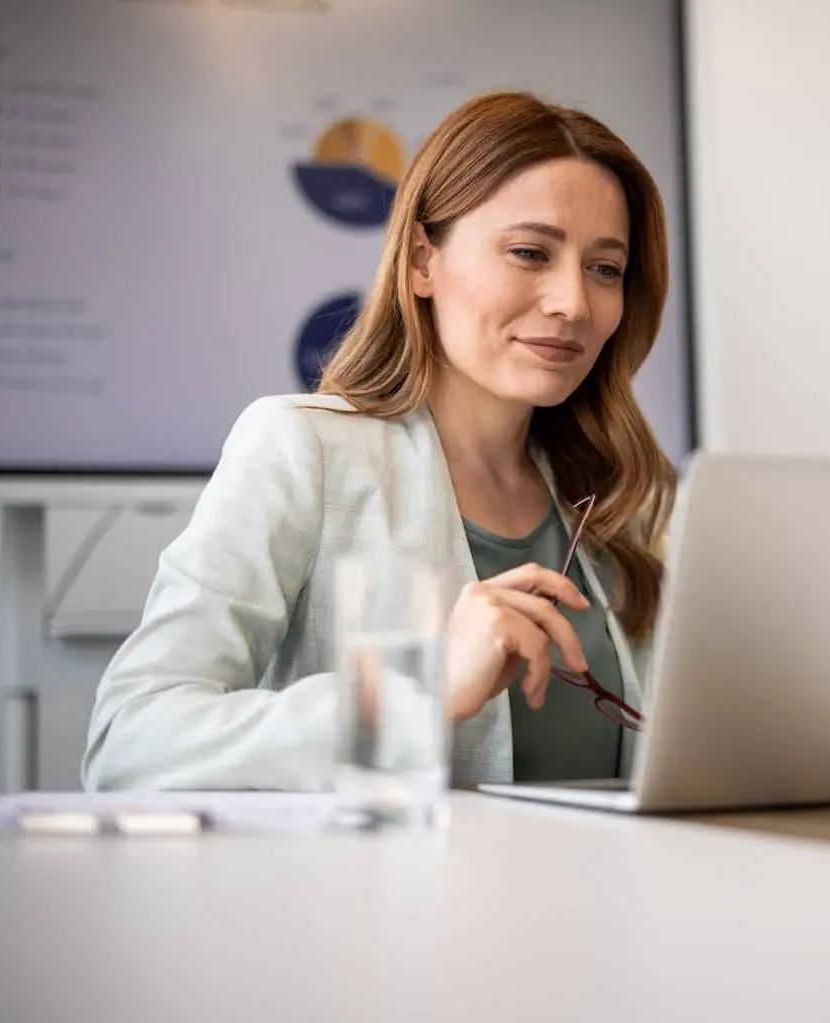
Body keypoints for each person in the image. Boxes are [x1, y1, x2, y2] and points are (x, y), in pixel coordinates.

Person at [82, 90, 677, 792]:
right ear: (423, 260)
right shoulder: (302, 449)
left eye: (605, 268)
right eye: (529, 252)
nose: (572, 302)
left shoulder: (628, 499)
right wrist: (418, 690)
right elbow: (129, 741)